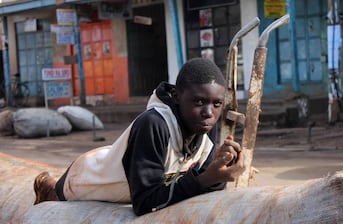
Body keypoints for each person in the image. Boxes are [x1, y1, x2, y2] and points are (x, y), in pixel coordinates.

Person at [33, 57, 245, 216]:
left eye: (217, 104)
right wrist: (208, 177)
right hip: (89, 178)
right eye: (199, 102)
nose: (209, 112)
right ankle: (48, 185)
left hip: (127, 171)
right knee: (55, 195)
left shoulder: (204, 127)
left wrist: (222, 170)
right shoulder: (153, 125)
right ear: (176, 97)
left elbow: (204, 188)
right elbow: (144, 204)